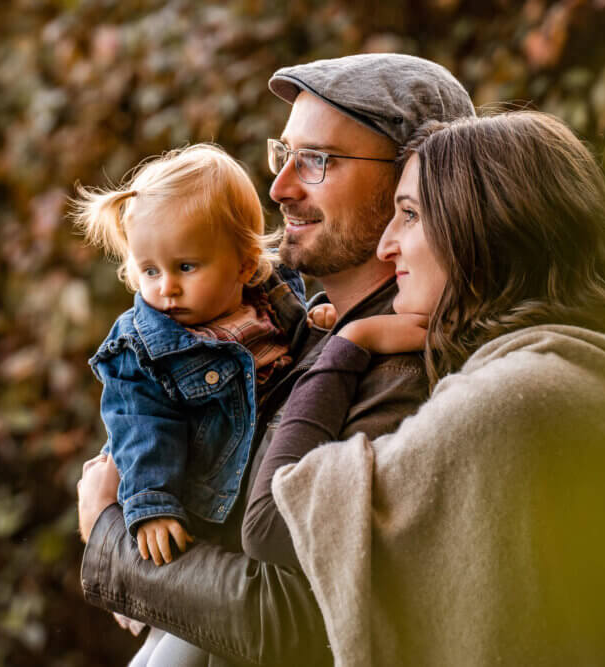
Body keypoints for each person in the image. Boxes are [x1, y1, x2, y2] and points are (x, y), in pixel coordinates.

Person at [77, 53, 476, 666]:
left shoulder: (401, 366)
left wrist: (109, 532)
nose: (279, 186)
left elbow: (292, 618)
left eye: (317, 160)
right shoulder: (297, 325)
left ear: (409, 182)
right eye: (282, 153)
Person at [253, 112, 605, 665]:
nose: (388, 245)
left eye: (408, 215)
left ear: (485, 228)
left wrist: (347, 344)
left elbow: (272, 521)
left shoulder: (511, 401)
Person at [72, 143, 309, 666]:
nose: (166, 289)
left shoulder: (274, 299)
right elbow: (139, 426)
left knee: (210, 642)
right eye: (149, 270)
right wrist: (151, 505)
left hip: (243, 529)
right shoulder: (145, 343)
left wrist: (320, 321)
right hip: (191, 517)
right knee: (173, 650)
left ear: (246, 266)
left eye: (185, 266)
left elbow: (298, 338)